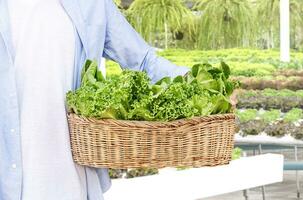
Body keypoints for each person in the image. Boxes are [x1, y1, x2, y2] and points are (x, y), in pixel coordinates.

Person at [0, 0, 237, 199]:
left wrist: (208, 85)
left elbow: (143, 61)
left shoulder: (92, 4)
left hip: (73, 181)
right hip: (9, 181)